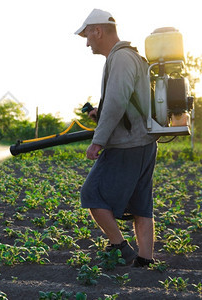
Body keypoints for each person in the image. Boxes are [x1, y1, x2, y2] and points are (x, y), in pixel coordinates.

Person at [75, 9, 158, 267]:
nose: (87, 42)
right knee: (141, 203)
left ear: (98, 31)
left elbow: (116, 101)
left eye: (87, 35)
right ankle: (145, 260)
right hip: (144, 142)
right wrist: (100, 113)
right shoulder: (131, 56)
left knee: (91, 194)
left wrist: (98, 140)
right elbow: (126, 101)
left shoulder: (120, 58)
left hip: (126, 144)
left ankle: (120, 246)